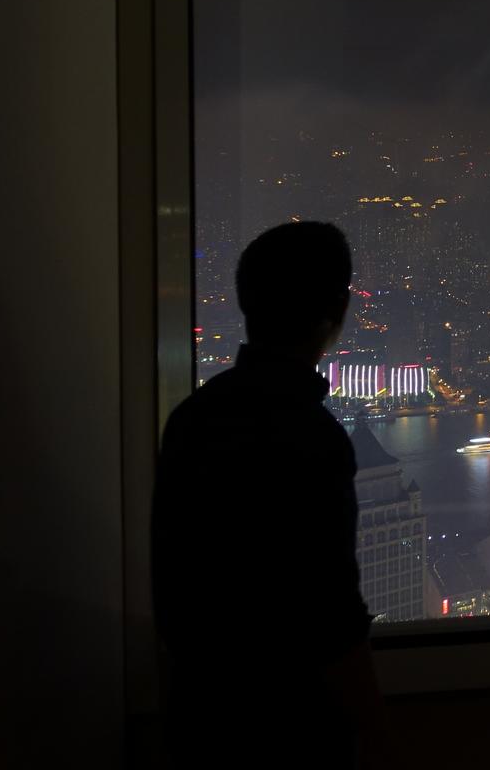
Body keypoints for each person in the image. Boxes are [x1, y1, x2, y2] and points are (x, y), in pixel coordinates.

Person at [152, 221, 383, 768]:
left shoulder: (190, 420)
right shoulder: (313, 438)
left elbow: (173, 589)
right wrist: (376, 734)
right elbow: (332, 617)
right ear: (336, 315)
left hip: (199, 724)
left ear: (246, 304)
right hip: (293, 733)